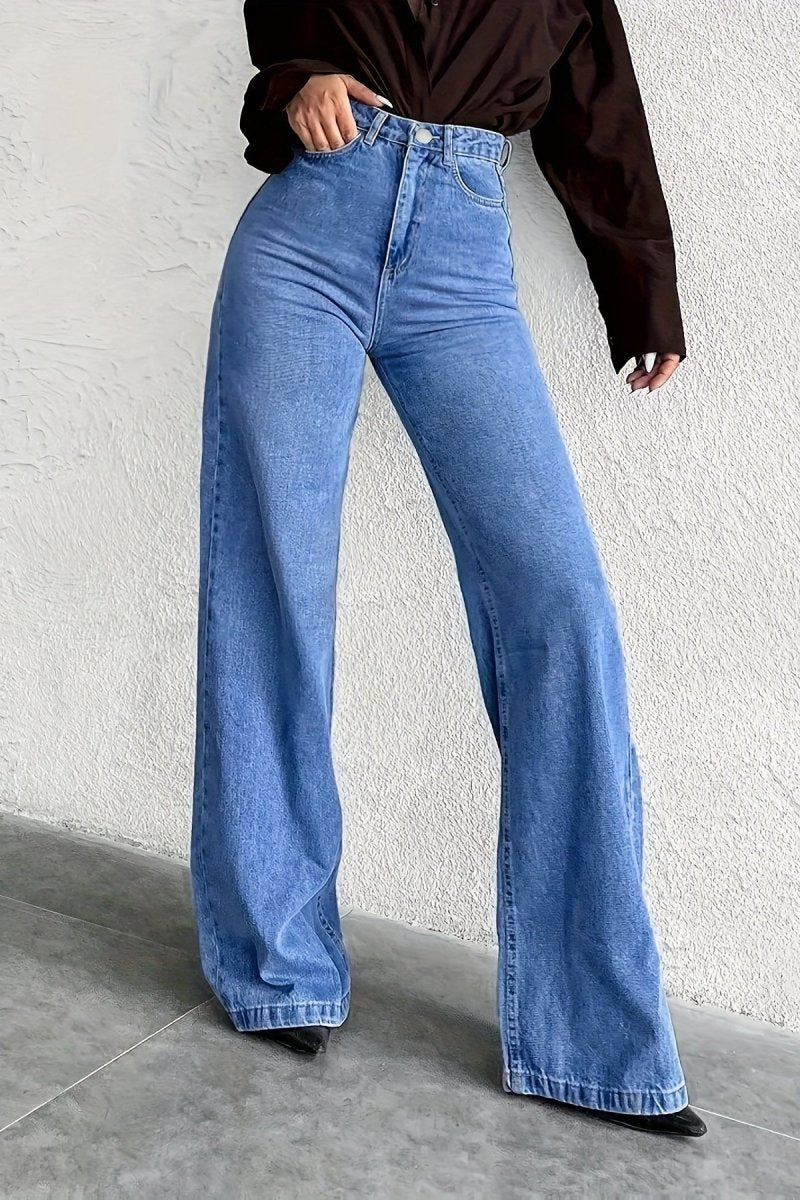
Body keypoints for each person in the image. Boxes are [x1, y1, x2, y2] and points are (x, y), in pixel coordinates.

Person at [190, 0, 706, 1138]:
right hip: (306, 236)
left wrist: (643, 289)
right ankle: (277, 965)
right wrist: (298, 78)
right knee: (273, 587)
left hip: (463, 259)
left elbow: (600, 117)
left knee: (561, 608)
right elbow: (281, 19)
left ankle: (590, 1036)